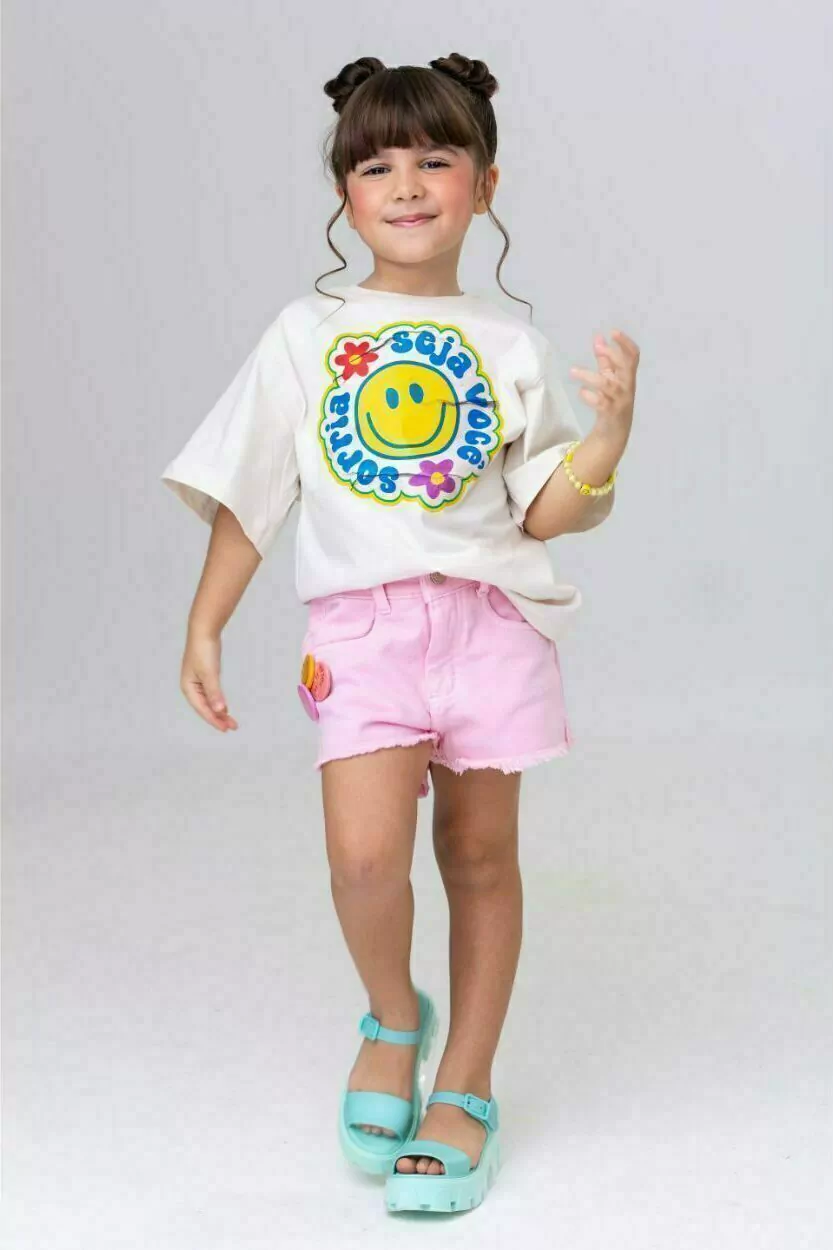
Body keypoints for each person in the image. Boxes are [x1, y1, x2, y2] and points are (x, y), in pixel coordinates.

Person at [160, 53, 638, 1215]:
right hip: (362, 630)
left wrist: (604, 443)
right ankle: (391, 1016)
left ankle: (464, 1082)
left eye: (434, 158)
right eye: (376, 166)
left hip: (488, 625)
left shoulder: (509, 344)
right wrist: (206, 620)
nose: (408, 184)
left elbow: (543, 510)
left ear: (484, 183)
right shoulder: (307, 332)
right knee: (365, 858)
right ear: (344, 194)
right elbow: (251, 488)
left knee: (477, 856)